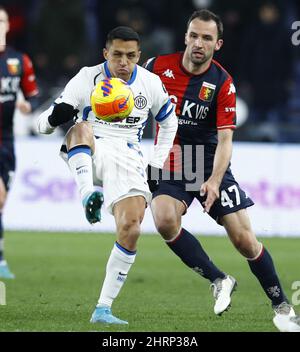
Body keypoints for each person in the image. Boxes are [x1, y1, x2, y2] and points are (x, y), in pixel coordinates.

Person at [145, 9, 300, 332]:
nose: (198, 43)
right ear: (185, 36)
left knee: (244, 240)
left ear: (218, 44)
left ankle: (282, 306)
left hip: (208, 159)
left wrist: (214, 180)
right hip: (171, 158)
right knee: (163, 219)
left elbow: (227, 139)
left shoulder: (222, 83)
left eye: (206, 38)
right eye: (194, 35)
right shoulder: (156, 68)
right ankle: (218, 279)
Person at [37, 26, 178, 325]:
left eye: (130, 56)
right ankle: (88, 193)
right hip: (91, 148)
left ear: (139, 56)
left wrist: (156, 163)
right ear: (106, 54)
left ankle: (103, 309)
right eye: (117, 55)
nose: (123, 63)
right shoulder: (88, 77)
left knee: (132, 228)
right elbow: (41, 124)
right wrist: (53, 119)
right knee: (80, 126)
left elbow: (169, 124)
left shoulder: (150, 83)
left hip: (128, 156)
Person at [0, 6, 39, 279]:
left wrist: (27, 104)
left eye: (1, 20)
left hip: (6, 141)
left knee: (1, 203)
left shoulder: (18, 60)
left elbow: (32, 95)